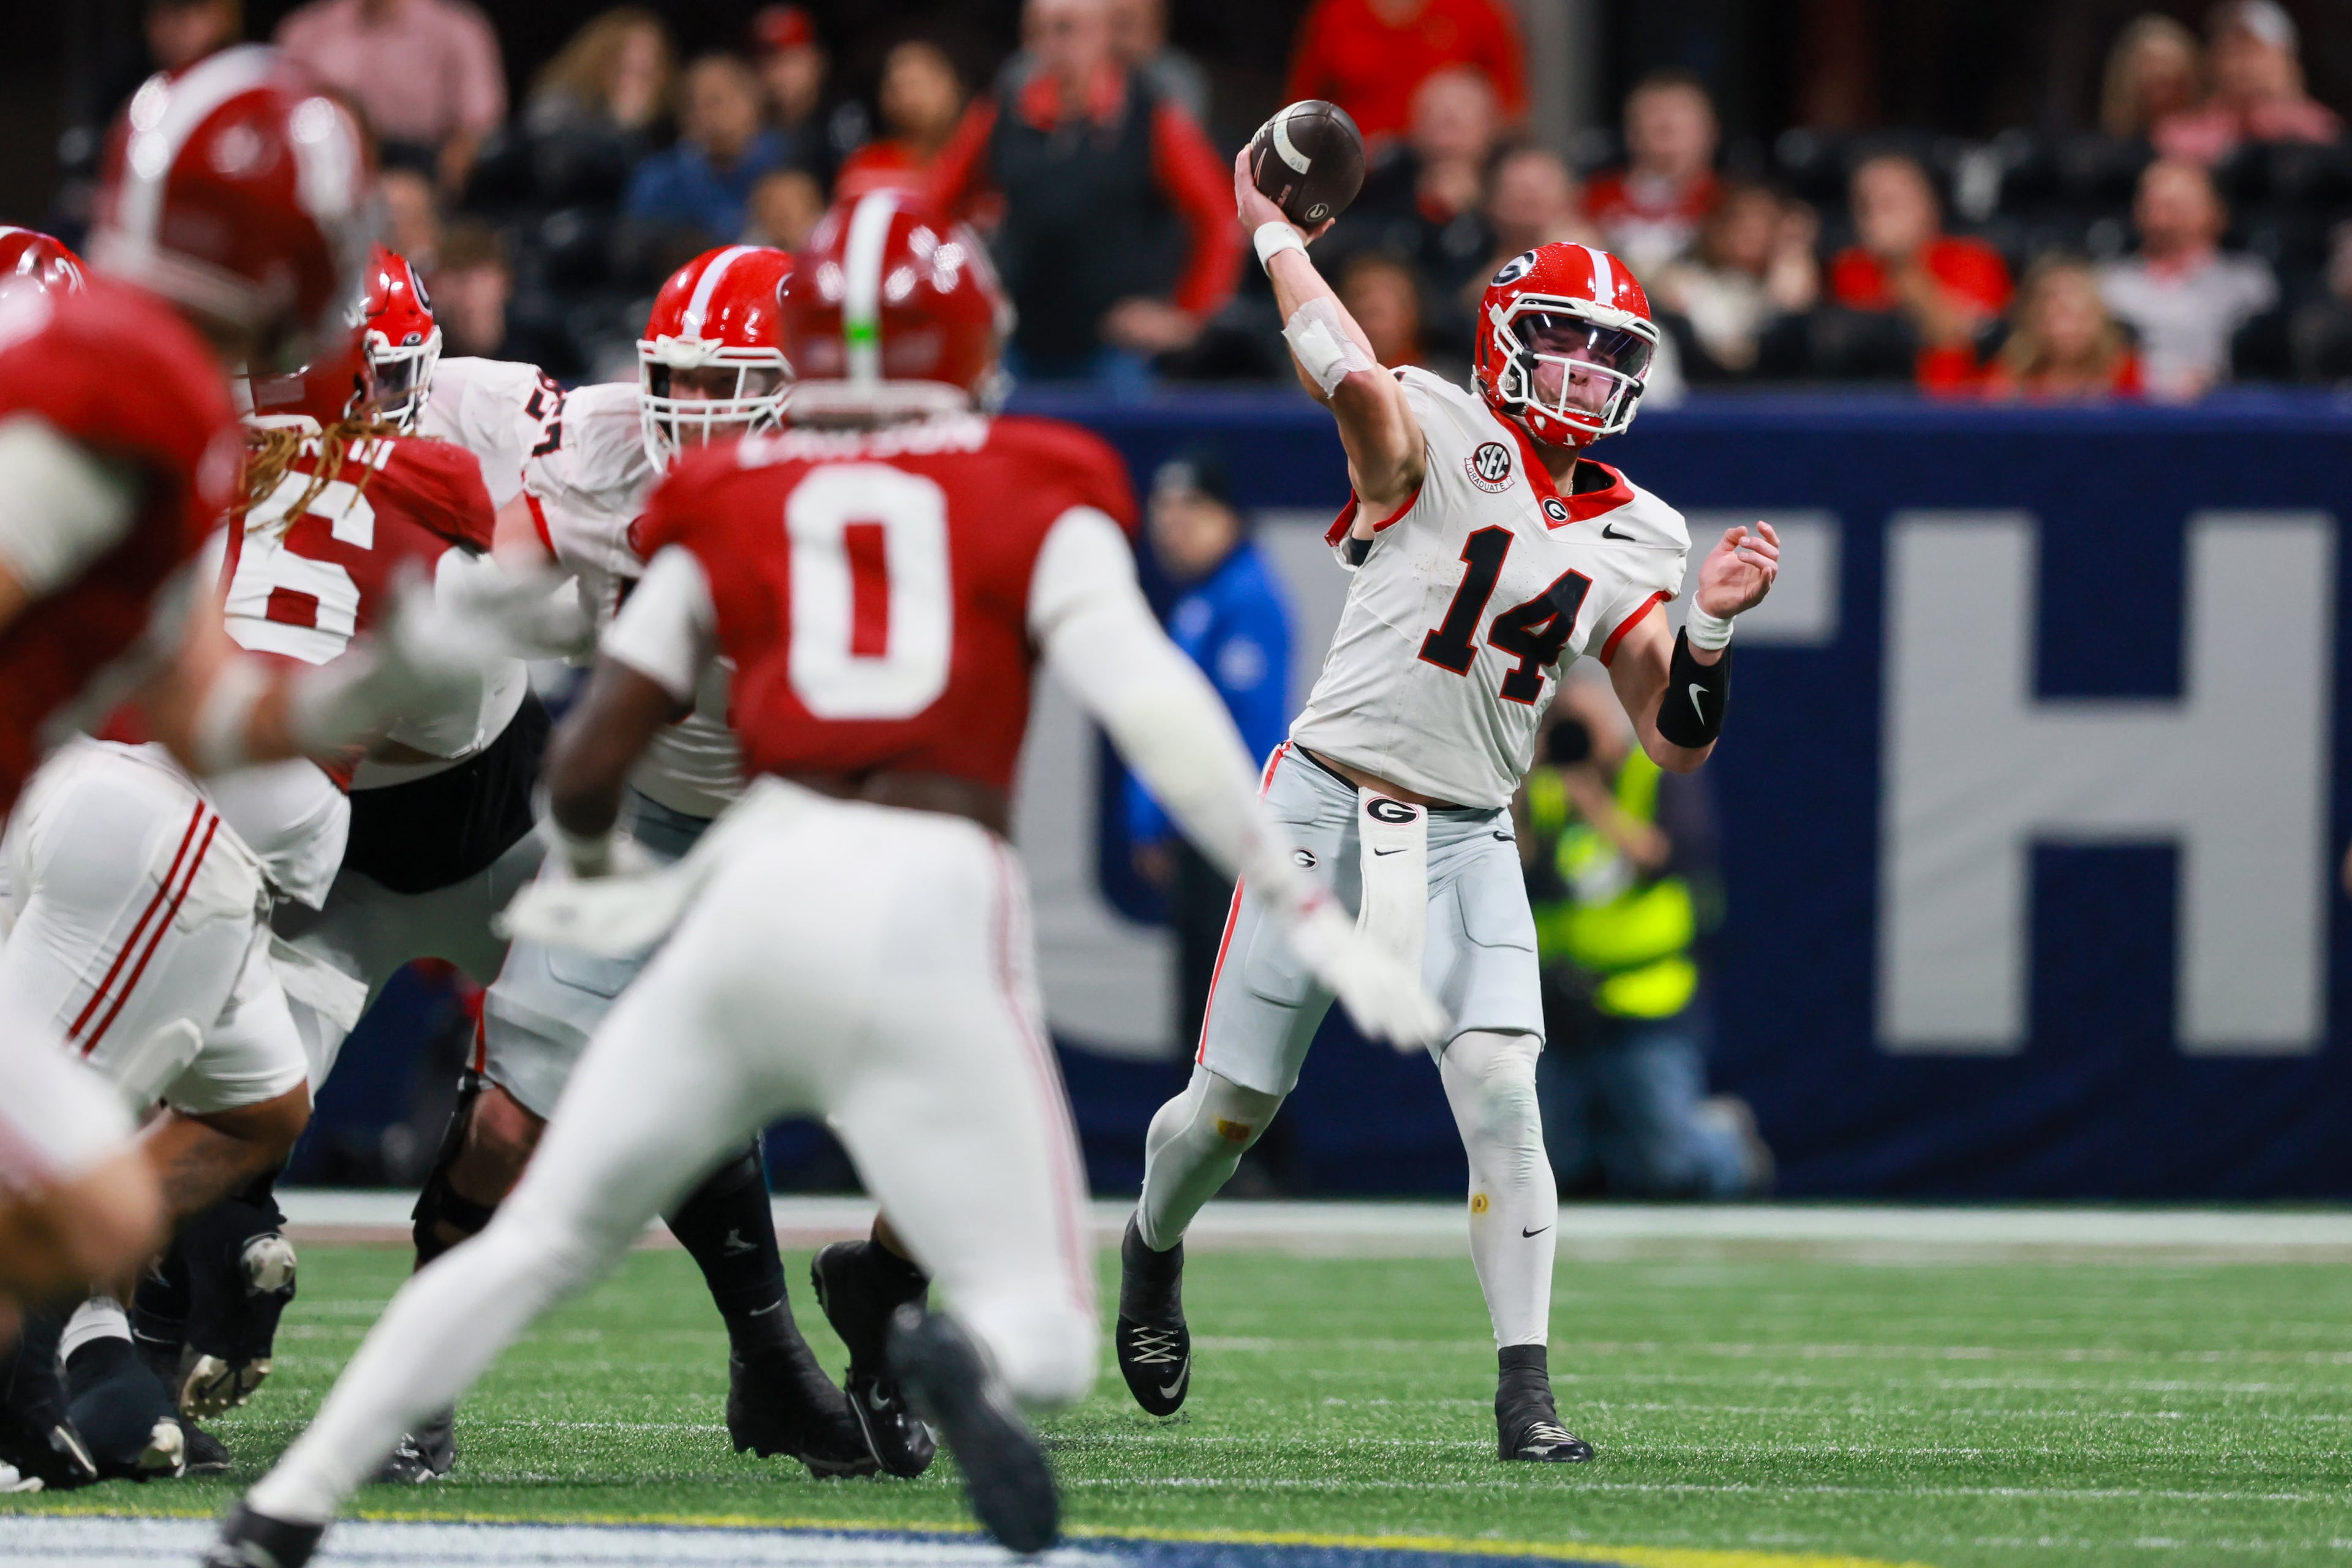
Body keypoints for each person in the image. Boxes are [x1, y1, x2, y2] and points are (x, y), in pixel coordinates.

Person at [209, 189, 1440, 1564]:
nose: (702, 416)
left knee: (548, 1232)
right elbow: (1159, 708)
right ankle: (919, 1341)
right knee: (1033, 1318)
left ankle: (285, 1507)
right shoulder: (1031, 478)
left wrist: (582, 856)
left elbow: (589, 730)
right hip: (917, 891)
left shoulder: (730, 504)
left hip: (759, 882)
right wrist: (1299, 896)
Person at [1112, 157, 1779, 1463]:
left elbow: (1675, 738)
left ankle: (1526, 1389)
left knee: (1498, 1087)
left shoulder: (1642, 528)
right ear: (1504, 346)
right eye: (1565, 348)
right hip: (1320, 804)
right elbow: (1351, 374)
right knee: (1227, 1111)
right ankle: (1150, 1245)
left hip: (1473, 824)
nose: (1590, 377)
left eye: (1610, 356)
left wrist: (1707, 625)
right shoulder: (1432, 422)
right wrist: (1272, 237)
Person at [0, 50, 500, 1490]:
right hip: (153, 840)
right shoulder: (140, 371)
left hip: (117, 805)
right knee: (64, 1203)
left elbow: (197, 696)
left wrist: (386, 686)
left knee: (254, 1112)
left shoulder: (161, 382)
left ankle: (36, 1380)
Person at [359, 244, 869, 1486]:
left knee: (926, 1108)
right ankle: (417, 1388)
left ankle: (865, 1349)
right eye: (677, 377)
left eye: (725, 381)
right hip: (645, 815)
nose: (692, 409)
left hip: (803, 831)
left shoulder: (872, 485)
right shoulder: (588, 445)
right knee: (502, 1123)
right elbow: (465, 468)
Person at [1521, 679, 1767, 1200]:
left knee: (1668, 1166)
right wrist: (1524, 774)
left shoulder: (1653, 776)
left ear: (1614, 726)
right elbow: (1516, 863)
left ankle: (1724, 1139)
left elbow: (1666, 857)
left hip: (1648, 998)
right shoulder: (1544, 789)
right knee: (1552, 1163)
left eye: (1585, 727)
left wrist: (1593, 804)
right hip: (1562, 1003)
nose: (1578, 740)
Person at [928, 0, 1237, 391]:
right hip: (1016, 349)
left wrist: (1187, 315)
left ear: (1104, 35)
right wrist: (960, 307)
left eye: (1065, 29)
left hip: (1115, 355)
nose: (1050, 45)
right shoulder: (999, 115)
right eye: (1037, 32)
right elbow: (934, 212)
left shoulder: (1150, 118)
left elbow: (1219, 217)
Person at [1126, 450, 1295, 1052]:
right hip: (1199, 829)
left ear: (1227, 516)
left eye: (1190, 508)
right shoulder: (1203, 598)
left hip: (1220, 834)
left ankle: (1253, 1149)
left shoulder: (1244, 598)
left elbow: (1236, 735)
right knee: (1205, 1008)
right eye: (1163, 508)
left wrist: (1194, 820)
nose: (1171, 523)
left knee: (1223, 1015)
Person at [274, 0, 505, 198]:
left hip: (425, 172)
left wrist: (448, 179)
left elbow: (482, 122)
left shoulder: (456, 28)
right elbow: (283, 116)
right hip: (336, 172)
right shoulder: (306, 32)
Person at [1828, 153, 2011, 393]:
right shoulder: (1850, 268)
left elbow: (1955, 337)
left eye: (1890, 203)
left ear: (1930, 205)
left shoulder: (1973, 259)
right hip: (1875, 402)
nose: (1876, 216)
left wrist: (1901, 265)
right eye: (1865, 205)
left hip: (1962, 405)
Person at [2098, 157, 2277, 401]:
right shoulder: (2109, 285)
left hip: (2222, 413)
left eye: (2175, 206)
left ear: (2215, 212)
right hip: (2130, 415)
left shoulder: (2247, 283)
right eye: (2152, 204)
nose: (2160, 217)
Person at [1346, 67, 1504, 315]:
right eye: (1434, 121)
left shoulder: (1512, 184)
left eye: (1456, 123)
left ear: (1490, 128)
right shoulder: (1384, 178)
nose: (1445, 139)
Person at [1284, 0, 1528, 146]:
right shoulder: (1338, 13)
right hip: (1356, 184)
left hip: (1447, 187)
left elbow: (1510, 112)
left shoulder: (1475, 13)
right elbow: (1301, 112)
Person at [623, 55, 793, 251]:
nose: (714, 115)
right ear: (687, 118)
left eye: (719, 100)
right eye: (700, 105)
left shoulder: (787, 161)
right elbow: (634, 250)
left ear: (753, 102)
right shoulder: (660, 180)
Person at [1651, 181, 1819, 377]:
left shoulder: (1785, 279)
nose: (1750, 231)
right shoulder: (1685, 281)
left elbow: (1792, 305)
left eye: (1763, 221)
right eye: (1739, 219)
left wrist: (1794, 248)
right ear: (1716, 226)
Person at [2153, 0, 2340, 166]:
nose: (2242, 64)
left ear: (2287, 60)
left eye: (2254, 49)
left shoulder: (2318, 130)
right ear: (2212, 61)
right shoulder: (2179, 136)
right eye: (2230, 50)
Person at [1584, 71, 1723, 279]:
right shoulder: (1592, 201)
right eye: (1657, 127)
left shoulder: (1733, 205)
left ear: (1711, 132)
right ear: (1631, 134)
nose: (1669, 139)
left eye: (1680, 126)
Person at [1979, 255, 2143, 400]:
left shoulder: (2122, 372)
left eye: (2078, 316)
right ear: (2033, 318)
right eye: (2058, 315)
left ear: (2099, 318)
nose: (2066, 329)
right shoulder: (2009, 373)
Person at [835, 39, 968, 200]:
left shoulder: (982, 161)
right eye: (897, 87)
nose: (908, 98)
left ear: (955, 86)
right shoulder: (866, 168)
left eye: (918, 84)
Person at [524, 8, 674, 142]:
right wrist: (621, 126)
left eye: (645, 74)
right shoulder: (560, 108)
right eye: (624, 70)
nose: (633, 84)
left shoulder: (667, 127)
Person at [2101, 14, 2205, 141]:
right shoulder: (2104, 151)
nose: (2159, 72)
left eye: (2167, 62)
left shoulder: (2219, 145)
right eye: (2149, 63)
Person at [1109, 0, 1209, 126]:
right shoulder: (1094, 72)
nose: (1116, 36)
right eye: (1115, 23)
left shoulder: (1174, 79)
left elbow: (1184, 135)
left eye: (1126, 23)